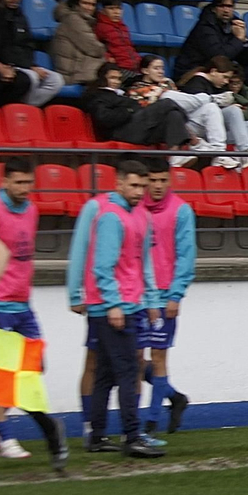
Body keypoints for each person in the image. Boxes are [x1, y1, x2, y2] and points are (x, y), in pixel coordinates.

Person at [0, 158, 68, 467]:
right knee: (1, 372)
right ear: (5, 182)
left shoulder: (32, 209)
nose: (24, 188)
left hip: (23, 303)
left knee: (34, 367)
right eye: (19, 182)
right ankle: (6, 437)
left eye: (28, 182)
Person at [65, 158, 165, 457]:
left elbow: (138, 262)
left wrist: (148, 300)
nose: (139, 191)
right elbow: (102, 266)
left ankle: (96, 436)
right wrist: (114, 304)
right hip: (116, 306)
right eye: (133, 185)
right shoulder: (111, 217)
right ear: (119, 184)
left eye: (142, 186)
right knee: (127, 371)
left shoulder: (136, 215)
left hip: (120, 304)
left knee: (106, 374)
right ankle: (132, 436)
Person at [136, 158, 194, 435]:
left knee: (158, 357)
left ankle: (151, 422)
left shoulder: (181, 211)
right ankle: (175, 397)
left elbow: (186, 256)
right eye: (153, 180)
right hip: (135, 295)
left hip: (163, 296)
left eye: (163, 180)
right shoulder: (134, 208)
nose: (158, 186)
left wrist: (175, 295)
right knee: (134, 360)